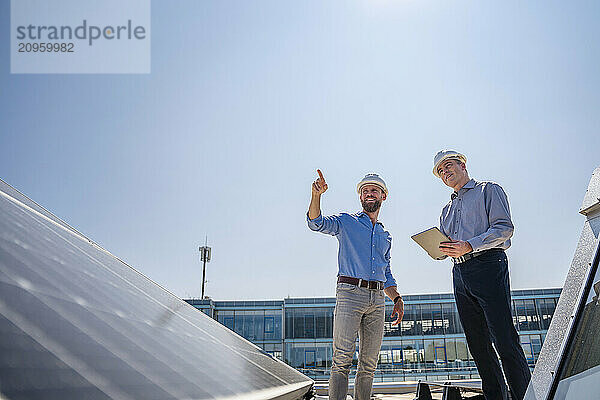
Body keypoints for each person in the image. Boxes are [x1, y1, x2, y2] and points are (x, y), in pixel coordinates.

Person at [433, 150, 531, 400]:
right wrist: (440, 249)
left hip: (488, 264)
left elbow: (504, 228)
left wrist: (470, 245)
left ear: (462, 164)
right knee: (478, 344)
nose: (445, 172)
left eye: (448, 165)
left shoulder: (489, 190)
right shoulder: (446, 210)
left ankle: (526, 396)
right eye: (440, 171)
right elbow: (449, 244)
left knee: (504, 338)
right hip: (459, 272)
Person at [307, 170, 404, 400]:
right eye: (365, 191)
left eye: (374, 190)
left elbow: (386, 273)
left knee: (369, 364)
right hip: (350, 294)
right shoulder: (346, 221)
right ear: (360, 197)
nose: (369, 194)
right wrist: (316, 195)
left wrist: (397, 299)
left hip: (378, 299)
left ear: (383, 196)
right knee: (341, 360)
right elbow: (316, 223)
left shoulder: (385, 235)